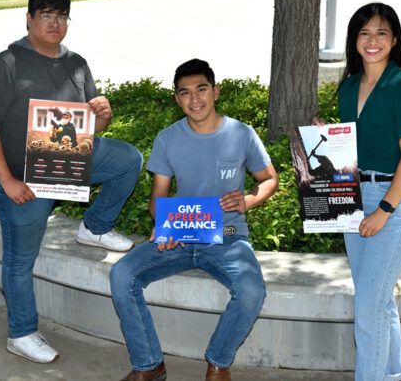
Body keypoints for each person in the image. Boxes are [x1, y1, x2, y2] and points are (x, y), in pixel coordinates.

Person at [0, 0, 143, 364]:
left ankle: (95, 227)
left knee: (128, 159)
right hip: (22, 178)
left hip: (63, 162)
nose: (55, 23)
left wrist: (103, 116)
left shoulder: (76, 64)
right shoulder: (6, 64)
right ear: (29, 19)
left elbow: (87, 130)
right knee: (20, 260)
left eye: (62, 16)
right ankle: (21, 333)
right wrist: (7, 181)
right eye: (47, 15)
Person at [109, 59, 279, 381]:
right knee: (122, 274)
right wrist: (164, 226)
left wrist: (249, 199)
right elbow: (158, 198)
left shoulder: (241, 134)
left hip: (228, 232)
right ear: (177, 99)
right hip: (182, 232)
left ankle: (218, 362)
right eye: (185, 93)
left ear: (215, 91)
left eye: (201, 89)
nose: (194, 99)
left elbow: (270, 180)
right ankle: (148, 364)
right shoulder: (168, 138)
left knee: (251, 289)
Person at [329, 3, 401, 381]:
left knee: (369, 306)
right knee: (378, 301)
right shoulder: (350, 86)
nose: (372, 41)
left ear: (394, 40)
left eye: (381, 33)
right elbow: (354, 148)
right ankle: (395, 375)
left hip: (395, 204)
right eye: (364, 33)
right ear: (354, 40)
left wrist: (384, 210)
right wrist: (329, 136)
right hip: (355, 199)